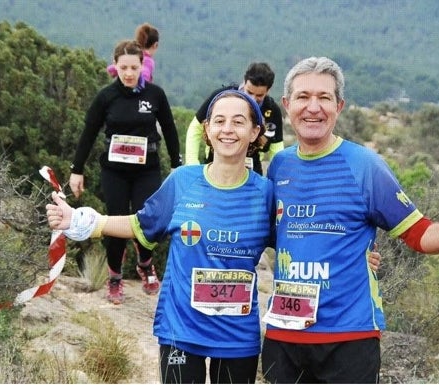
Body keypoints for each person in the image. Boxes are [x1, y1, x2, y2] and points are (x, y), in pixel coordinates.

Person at [260, 56, 439, 384]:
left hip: (349, 337)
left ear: (340, 106)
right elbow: (277, 235)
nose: (313, 107)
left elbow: (417, 231)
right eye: (304, 97)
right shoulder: (280, 166)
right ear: (287, 104)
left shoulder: (364, 165)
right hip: (284, 335)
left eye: (324, 98)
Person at [51, 90, 271, 383]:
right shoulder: (182, 182)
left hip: (237, 338)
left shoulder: (266, 194)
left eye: (238, 122)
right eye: (219, 121)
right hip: (181, 329)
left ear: (255, 131)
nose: (227, 129)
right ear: (207, 129)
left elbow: (295, 245)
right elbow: (140, 225)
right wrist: (83, 221)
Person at [69, 39, 181, 304]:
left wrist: (177, 165)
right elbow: (88, 134)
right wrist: (77, 169)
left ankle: (145, 264)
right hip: (115, 171)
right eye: (123, 68)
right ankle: (115, 278)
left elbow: (169, 128)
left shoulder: (155, 94)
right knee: (115, 222)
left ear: (143, 65)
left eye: (134, 67)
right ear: (115, 67)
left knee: (147, 219)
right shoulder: (106, 97)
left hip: (147, 170)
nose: (129, 73)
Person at [184, 62, 284, 175]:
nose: (253, 99)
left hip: (251, 170)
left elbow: (277, 148)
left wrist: (279, 176)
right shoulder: (221, 98)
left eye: (259, 96)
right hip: (214, 165)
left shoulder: (272, 110)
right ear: (244, 82)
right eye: (249, 92)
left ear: (268, 91)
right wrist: (192, 164)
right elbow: (195, 128)